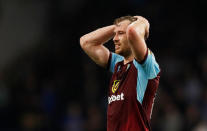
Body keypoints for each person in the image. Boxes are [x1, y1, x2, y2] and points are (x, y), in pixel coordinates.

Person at [80, 15, 160, 131]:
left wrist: (144, 22)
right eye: (115, 34)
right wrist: (116, 28)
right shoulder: (118, 64)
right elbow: (86, 42)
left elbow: (133, 31)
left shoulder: (146, 65)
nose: (114, 38)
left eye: (121, 33)